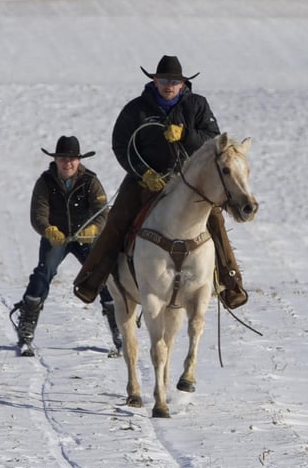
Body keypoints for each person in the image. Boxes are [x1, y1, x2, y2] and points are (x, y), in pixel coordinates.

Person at [72, 55, 248, 309]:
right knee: (118, 217)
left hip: (189, 182)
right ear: (154, 80)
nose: (169, 85)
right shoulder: (136, 109)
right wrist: (142, 172)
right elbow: (121, 145)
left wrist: (185, 134)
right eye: (164, 79)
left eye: (174, 81)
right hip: (145, 179)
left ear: (182, 83)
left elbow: (213, 141)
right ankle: (92, 279)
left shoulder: (197, 105)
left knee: (215, 219)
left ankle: (230, 283)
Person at [11, 135, 122, 355]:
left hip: (86, 239)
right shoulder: (45, 182)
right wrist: (49, 230)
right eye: (63, 158)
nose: (67, 163)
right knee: (44, 273)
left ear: (79, 160)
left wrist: (93, 230)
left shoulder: (91, 181)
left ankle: (118, 330)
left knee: (104, 276)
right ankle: (26, 330)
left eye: (72, 158)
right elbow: (38, 214)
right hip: (57, 238)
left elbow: (102, 213)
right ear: (56, 160)